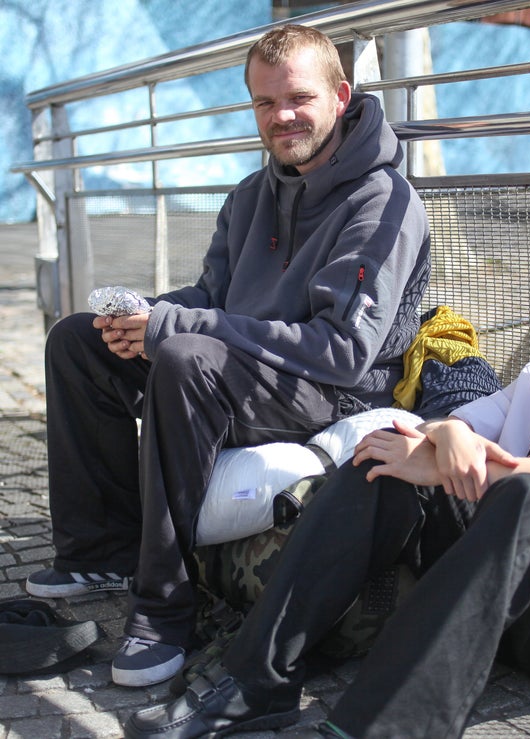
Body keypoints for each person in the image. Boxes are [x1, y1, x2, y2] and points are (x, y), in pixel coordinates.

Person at [122, 219, 530, 739]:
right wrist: (445, 435)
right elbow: (458, 423)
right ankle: (256, 680)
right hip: (500, 600)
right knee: (383, 457)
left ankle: (377, 730)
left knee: (528, 495)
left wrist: (488, 461)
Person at [25, 24, 431, 688]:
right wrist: (143, 315)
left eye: (298, 98)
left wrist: (174, 327)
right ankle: (102, 548)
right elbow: (212, 296)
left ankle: (164, 609)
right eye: (265, 104)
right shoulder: (250, 196)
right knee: (80, 341)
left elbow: (343, 351)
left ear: (341, 95)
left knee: (184, 357)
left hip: (332, 389)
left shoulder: (383, 202)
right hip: (247, 371)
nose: (282, 117)